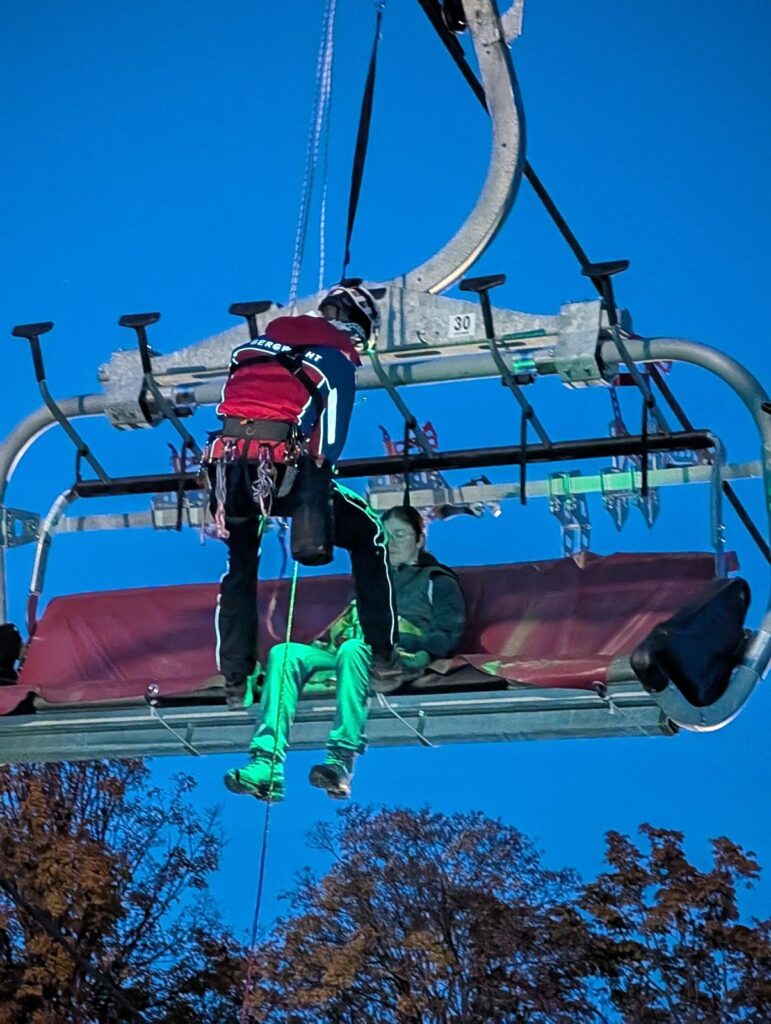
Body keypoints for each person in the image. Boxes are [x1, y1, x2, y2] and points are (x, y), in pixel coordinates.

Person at [204, 283, 401, 707]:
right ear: (356, 329)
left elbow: (237, 403)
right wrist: (313, 494)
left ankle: (235, 677)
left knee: (240, 564)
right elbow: (328, 444)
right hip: (280, 469)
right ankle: (384, 659)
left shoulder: (252, 349)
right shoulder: (334, 361)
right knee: (369, 536)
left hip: (225, 468)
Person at [223, 505, 466, 801]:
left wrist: (423, 656)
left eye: (400, 534)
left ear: (419, 539)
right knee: (285, 653)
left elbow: (447, 629)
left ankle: (342, 758)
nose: (392, 542)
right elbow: (345, 625)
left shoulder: (436, 580)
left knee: (354, 650)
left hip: (392, 657)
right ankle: (266, 764)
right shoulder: (371, 581)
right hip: (349, 652)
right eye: (386, 536)